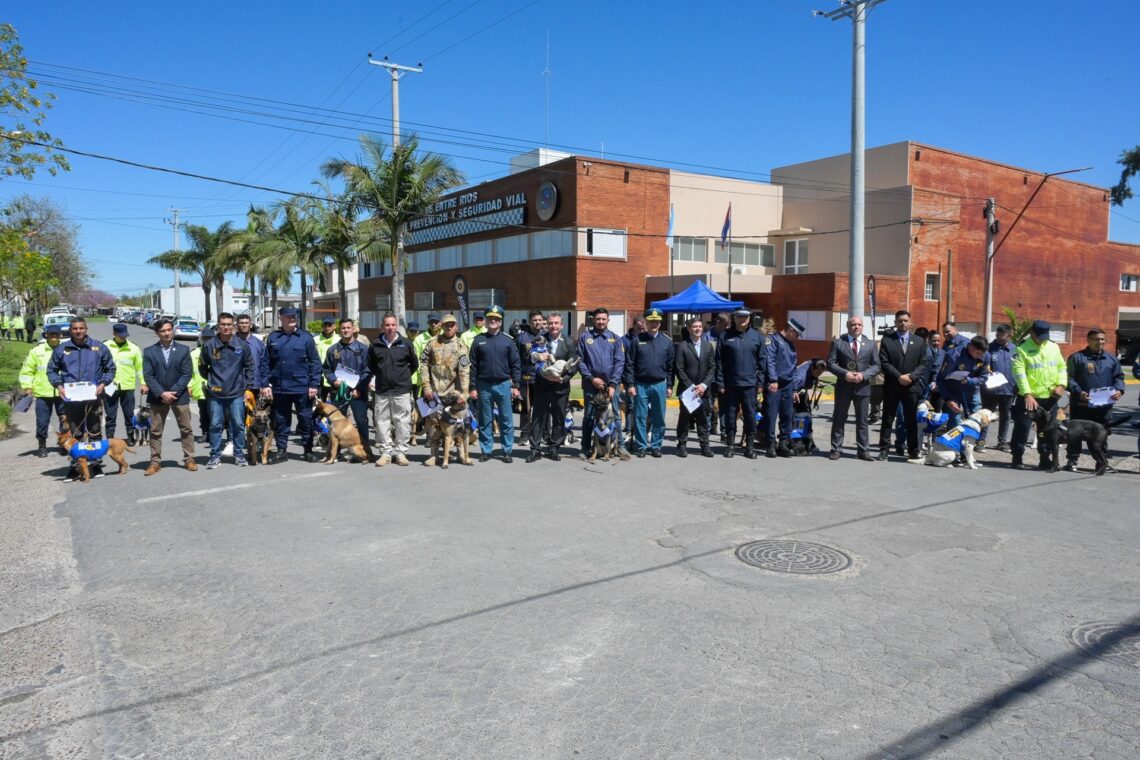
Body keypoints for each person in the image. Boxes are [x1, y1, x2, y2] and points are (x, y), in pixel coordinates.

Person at [47, 317, 117, 480]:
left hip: (93, 396)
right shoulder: (61, 349)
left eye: (81, 328)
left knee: (94, 431)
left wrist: (103, 383)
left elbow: (111, 369)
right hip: (71, 398)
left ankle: (96, 464)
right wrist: (58, 385)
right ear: (70, 330)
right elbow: (51, 370)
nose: (78, 331)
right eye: (75, 329)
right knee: (75, 432)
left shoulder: (99, 348)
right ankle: (75, 466)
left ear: (86, 329)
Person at [260, 307, 323, 464]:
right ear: (280, 318)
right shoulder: (273, 338)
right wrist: (265, 384)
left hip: (302, 387)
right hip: (280, 387)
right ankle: (282, 451)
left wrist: (314, 384)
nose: (292, 318)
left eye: (294, 316)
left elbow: (315, 362)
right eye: (288, 316)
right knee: (281, 420)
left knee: (305, 419)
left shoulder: (306, 338)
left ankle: (308, 451)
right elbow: (265, 363)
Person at [1063, 328, 1125, 471]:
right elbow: (1068, 378)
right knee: (1075, 434)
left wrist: (1119, 390)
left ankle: (1102, 462)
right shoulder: (1077, 358)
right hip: (1081, 403)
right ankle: (1072, 461)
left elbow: (1119, 377)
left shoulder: (1111, 359)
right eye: (1096, 339)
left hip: (1103, 406)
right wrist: (1079, 392)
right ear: (1088, 340)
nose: (1100, 342)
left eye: (1102, 339)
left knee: (1101, 434)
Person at [1010, 320, 1068, 470]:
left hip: (1050, 398)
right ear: (1032, 333)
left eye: (1045, 336)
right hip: (1030, 398)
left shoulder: (1053, 346)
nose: (1043, 339)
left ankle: (1044, 458)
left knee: (1048, 431)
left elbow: (1062, 367)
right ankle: (1017, 457)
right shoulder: (1022, 349)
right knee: (1022, 428)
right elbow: (1019, 373)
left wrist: (1061, 385)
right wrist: (1027, 394)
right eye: (1040, 336)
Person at [141, 318, 196, 475]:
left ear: (173, 330)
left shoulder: (183, 350)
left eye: (168, 329)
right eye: (163, 331)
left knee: (186, 429)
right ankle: (155, 462)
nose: (166, 333)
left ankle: (189, 459)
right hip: (157, 397)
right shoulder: (149, 351)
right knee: (155, 431)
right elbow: (148, 375)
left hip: (180, 396)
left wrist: (174, 392)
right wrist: (162, 393)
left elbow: (187, 373)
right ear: (157, 333)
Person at [199, 313, 254, 469]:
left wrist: (248, 388)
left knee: (238, 424)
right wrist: (213, 380)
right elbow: (202, 367)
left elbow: (249, 366)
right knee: (215, 425)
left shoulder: (241, 345)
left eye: (229, 324)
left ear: (234, 326)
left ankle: (239, 454)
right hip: (215, 393)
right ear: (218, 325)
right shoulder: (209, 345)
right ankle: (215, 456)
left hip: (237, 393)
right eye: (223, 324)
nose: (226, 327)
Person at [469, 305, 521, 463]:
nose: (493, 321)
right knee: (485, 419)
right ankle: (486, 450)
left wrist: (516, 385)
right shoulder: (478, 341)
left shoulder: (508, 341)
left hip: (504, 384)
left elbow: (515, 364)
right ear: (485, 321)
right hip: (483, 385)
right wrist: (472, 387)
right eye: (490, 318)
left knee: (506, 419)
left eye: (496, 319)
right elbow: (472, 366)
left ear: (500, 322)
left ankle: (507, 451)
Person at [576, 306, 629, 461]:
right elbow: (580, 361)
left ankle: (620, 446)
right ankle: (585, 447)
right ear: (593, 320)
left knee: (616, 417)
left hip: (611, 387)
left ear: (608, 320)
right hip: (591, 385)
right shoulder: (585, 337)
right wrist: (591, 378)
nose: (600, 322)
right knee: (589, 416)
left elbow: (620, 362)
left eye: (603, 319)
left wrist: (613, 384)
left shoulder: (615, 338)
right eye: (598, 319)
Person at [878, 310, 930, 461]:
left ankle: (913, 450)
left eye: (906, 320)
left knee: (911, 419)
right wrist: (899, 376)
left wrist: (911, 376)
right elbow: (884, 362)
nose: (903, 323)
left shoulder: (919, 341)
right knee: (888, 418)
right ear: (895, 322)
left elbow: (923, 363)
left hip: (911, 386)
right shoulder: (887, 340)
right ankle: (884, 449)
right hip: (892, 385)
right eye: (900, 321)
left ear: (910, 322)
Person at [827, 315, 880, 460]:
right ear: (847, 327)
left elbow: (877, 365)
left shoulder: (870, 344)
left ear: (862, 327)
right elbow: (830, 363)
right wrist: (845, 374)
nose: (856, 327)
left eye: (859, 324)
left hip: (862, 387)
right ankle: (836, 448)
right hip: (844, 387)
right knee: (839, 419)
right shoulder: (838, 343)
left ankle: (863, 450)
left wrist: (864, 375)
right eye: (853, 325)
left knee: (862, 421)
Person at [367, 314, 417, 466]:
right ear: (382, 326)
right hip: (382, 390)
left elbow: (414, 364)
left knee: (402, 422)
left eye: (393, 325)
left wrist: (402, 378)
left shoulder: (406, 343)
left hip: (401, 390)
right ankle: (386, 453)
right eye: (387, 325)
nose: (390, 328)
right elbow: (371, 366)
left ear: (397, 326)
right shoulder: (375, 345)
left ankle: (401, 452)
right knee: (382, 422)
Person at [623, 308, 674, 458]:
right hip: (640, 384)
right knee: (640, 416)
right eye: (651, 321)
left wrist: (670, 385)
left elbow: (671, 367)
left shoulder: (667, 342)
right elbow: (629, 364)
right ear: (646, 322)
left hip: (659, 384)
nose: (654, 324)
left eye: (656, 321)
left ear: (660, 322)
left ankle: (656, 446)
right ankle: (641, 446)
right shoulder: (637, 340)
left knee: (659, 417)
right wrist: (630, 384)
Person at [715, 308, 765, 459]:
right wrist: (720, 381)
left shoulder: (757, 336)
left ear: (749, 319)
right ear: (734, 318)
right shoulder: (725, 336)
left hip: (750, 384)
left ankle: (749, 447)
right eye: (739, 317)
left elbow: (762, 361)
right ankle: (730, 445)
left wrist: (761, 382)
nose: (742, 319)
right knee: (730, 416)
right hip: (730, 384)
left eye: (745, 317)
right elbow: (719, 361)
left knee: (750, 416)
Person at [321, 316, 372, 460]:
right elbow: (326, 369)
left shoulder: (363, 349)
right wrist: (333, 381)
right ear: (339, 329)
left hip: (358, 393)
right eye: (343, 328)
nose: (346, 330)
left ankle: (366, 452)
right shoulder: (333, 350)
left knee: (361, 422)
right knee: (335, 424)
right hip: (339, 392)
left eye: (348, 328)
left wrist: (360, 388)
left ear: (353, 329)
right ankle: (333, 453)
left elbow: (368, 370)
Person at [527, 312, 575, 462]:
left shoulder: (569, 342)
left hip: (560, 387)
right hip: (542, 386)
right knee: (538, 419)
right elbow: (530, 357)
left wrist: (562, 378)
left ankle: (554, 448)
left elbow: (574, 365)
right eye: (550, 323)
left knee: (559, 418)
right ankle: (535, 450)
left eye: (556, 323)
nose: (553, 326)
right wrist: (535, 357)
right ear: (547, 325)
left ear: (561, 325)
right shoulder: (540, 339)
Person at [18, 323, 65, 457]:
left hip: (63, 393)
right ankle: (42, 445)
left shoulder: (66, 350)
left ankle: (64, 444)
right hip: (43, 392)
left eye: (56, 334)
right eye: (51, 335)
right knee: (42, 421)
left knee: (65, 421)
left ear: (60, 335)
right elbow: (27, 371)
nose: (54, 337)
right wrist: (27, 387)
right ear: (46, 335)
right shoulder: (36, 351)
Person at [673, 316, 716, 458]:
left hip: (703, 390)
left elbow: (712, 368)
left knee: (703, 419)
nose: (698, 329)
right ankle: (682, 445)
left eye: (700, 326)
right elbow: (679, 369)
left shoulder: (708, 346)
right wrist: (692, 387)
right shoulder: (682, 346)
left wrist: (703, 386)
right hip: (687, 391)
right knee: (685, 419)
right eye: (695, 327)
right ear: (689, 329)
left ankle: (705, 446)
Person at [763, 318, 804, 458]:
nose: (798, 338)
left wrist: (794, 388)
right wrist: (773, 379)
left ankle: (783, 444)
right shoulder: (772, 339)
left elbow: (793, 367)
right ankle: (770, 444)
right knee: (771, 415)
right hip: (775, 384)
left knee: (787, 415)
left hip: (787, 385)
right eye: (797, 334)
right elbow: (770, 360)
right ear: (791, 330)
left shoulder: (791, 344)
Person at [937, 336, 991, 432]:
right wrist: (948, 398)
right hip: (954, 391)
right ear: (971, 347)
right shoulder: (953, 355)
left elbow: (984, 377)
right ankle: (954, 445)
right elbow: (941, 379)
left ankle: (973, 443)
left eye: (982, 353)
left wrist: (971, 381)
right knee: (955, 421)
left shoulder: (986, 356)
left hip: (972, 391)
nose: (980, 356)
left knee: (977, 419)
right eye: (978, 353)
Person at [104, 322, 144, 443]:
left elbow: (140, 367)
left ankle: (131, 436)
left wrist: (143, 383)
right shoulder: (105, 346)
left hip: (128, 385)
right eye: (120, 335)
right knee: (110, 414)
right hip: (110, 385)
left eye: (124, 335)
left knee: (129, 413)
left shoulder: (133, 348)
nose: (122, 337)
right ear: (114, 334)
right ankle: (110, 437)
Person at [981, 324, 1016, 451]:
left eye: (1002, 337)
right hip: (990, 389)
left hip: (1009, 389)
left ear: (1010, 336)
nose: (998, 338)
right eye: (997, 336)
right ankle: (981, 440)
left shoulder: (1015, 349)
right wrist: (986, 370)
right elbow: (982, 365)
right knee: (986, 415)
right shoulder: (989, 348)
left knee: (1005, 416)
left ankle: (1002, 442)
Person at [516, 310, 546, 435]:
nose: (537, 322)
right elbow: (515, 358)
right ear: (530, 322)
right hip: (526, 377)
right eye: (534, 320)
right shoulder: (522, 337)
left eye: (539, 320)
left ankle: (544, 433)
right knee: (526, 407)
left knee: (544, 407)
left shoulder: (547, 336)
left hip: (544, 377)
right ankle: (525, 434)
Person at [620, 318, 646, 443]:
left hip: (643, 379)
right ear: (633, 325)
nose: (641, 331)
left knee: (643, 407)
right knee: (630, 406)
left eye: (643, 328)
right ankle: (629, 433)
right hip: (628, 379)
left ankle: (642, 432)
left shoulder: (645, 339)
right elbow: (622, 361)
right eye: (639, 328)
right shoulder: (624, 340)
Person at [189, 326, 212, 444]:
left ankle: (215, 434)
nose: (207, 340)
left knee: (216, 414)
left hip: (216, 388)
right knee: (203, 413)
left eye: (210, 338)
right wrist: (189, 385)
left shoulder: (217, 350)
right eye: (205, 338)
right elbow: (188, 372)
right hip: (199, 388)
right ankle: (205, 433)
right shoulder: (194, 353)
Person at [235, 313, 265, 390]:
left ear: (250, 325)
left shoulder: (259, 343)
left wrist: (264, 384)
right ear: (237, 325)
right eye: (241, 323)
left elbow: (264, 365)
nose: (244, 325)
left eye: (246, 323)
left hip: (255, 385)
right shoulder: (231, 342)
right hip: (235, 386)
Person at [314, 317, 338, 401]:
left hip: (334, 376)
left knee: (336, 403)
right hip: (319, 376)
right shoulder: (315, 339)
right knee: (319, 404)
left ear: (334, 326)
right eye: (325, 325)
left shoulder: (339, 340)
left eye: (329, 325)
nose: (327, 327)